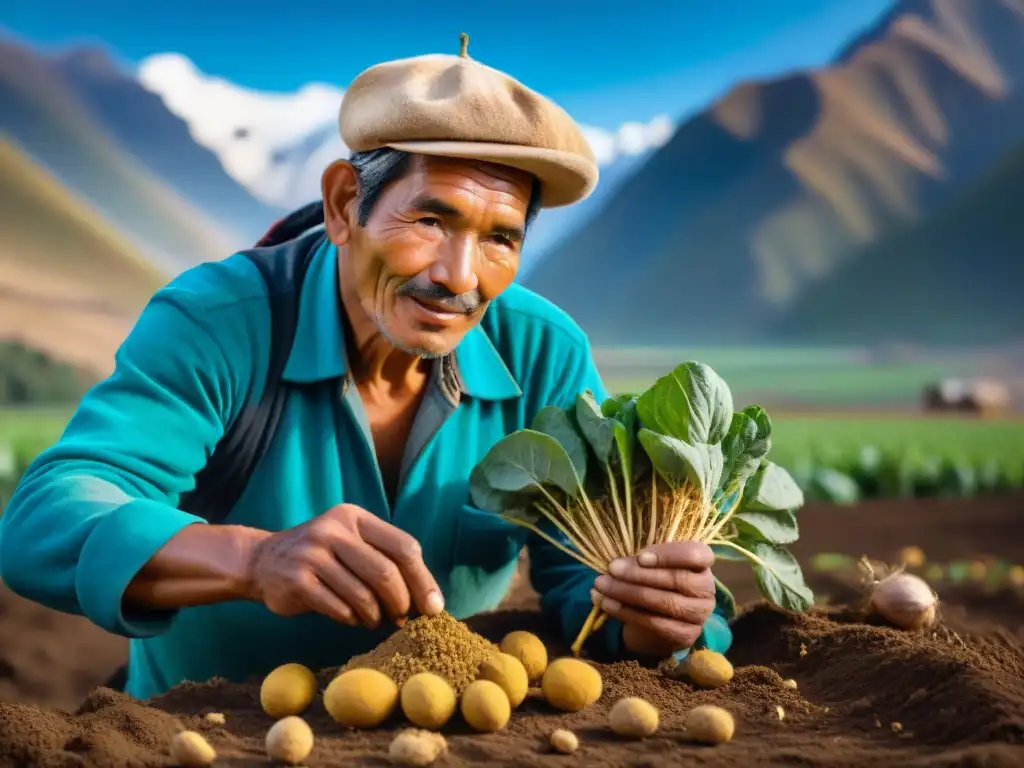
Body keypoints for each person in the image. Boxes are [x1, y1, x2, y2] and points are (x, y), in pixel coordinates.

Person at [0, 37, 732, 701]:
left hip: (441, 741)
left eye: (501, 239)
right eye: (431, 221)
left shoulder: (545, 354)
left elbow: (584, 581)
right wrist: (256, 560)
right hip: (208, 732)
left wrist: (651, 616)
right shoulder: (218, 323)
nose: (459, 276)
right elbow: (46, 518)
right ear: (345, 204)